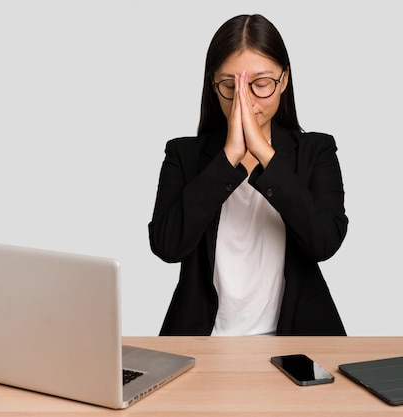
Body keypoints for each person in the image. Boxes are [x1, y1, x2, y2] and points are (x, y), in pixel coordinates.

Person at [148, 14, 348, 336]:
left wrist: (265, 155)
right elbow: (167, 246)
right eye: (231, 86)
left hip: (293, 342)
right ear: (214, 86)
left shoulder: (317, 151)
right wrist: (229, 158)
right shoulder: (183, 155)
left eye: (261, 84)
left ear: (283, 80)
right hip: (204, 343)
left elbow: (324, 242)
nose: (247, 99)